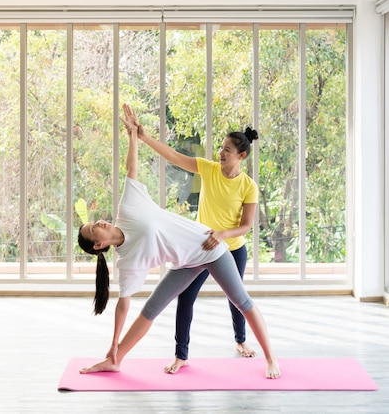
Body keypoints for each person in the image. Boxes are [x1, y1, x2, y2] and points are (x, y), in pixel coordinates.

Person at [77, 104, 280, 379]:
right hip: (186, 261)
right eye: (93, 229)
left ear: (241, 156)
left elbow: (131, 168)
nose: (98, 222)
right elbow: (124, 303)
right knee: (151, 308)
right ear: (99, 246)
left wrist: (135, 137)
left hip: (211, 248)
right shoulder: (126, 261)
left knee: (241, 301)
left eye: (94, 221)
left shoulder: (126, 208)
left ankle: (270, 360)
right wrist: (112, 343)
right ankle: (116, 360)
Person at [133, 107, 259, 374]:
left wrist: (223, 234)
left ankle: (241, 341)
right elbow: (174, 157)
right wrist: (144, 137)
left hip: (232, 249)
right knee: (186, 297)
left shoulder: (248, 186)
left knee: (237, 299)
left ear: (242, 156)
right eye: (221, 147)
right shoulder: (208, 169)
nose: (221, 152)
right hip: (200, 248)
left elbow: (246, 226)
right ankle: (181, 356)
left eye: (227, 149)